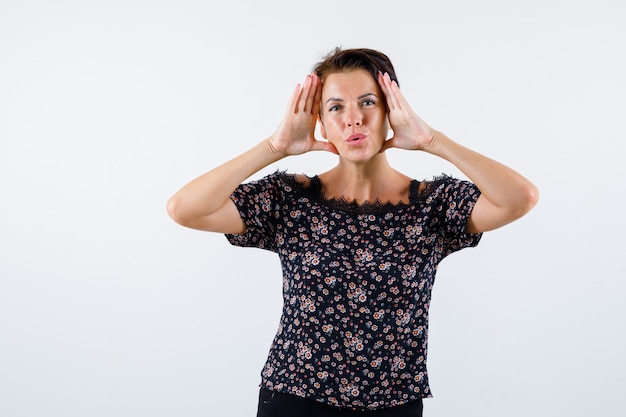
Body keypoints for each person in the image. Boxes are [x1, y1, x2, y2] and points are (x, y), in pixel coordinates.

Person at [167, 47, 539, 417]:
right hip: (295, 400)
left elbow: (520, 198)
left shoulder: (432, 205)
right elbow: (184, 209)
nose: (353, 119)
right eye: (336, 107)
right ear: (321, 120)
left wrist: (431, 141)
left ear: (392, 111)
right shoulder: (290, 198)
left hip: (393, 404)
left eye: (367, 103)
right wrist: (274, 148)